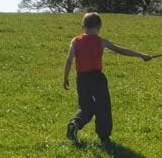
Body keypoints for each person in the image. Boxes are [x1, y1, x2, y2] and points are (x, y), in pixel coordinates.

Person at [63, 12, 151, 143]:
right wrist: (142, 55)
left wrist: (65, 77)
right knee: (103, 106)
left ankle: (75, 123)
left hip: (82, 79)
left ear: (83, 26)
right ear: (99, 27)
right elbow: (121, 50)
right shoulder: (101, 41)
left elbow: (69, 58)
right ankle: (104, 135)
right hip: (97, 78)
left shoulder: (75, 41)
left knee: (86, 107)